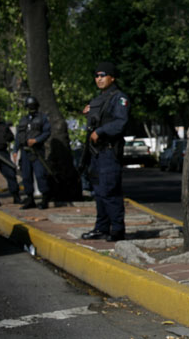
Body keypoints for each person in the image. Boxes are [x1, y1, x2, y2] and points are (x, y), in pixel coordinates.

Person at [81, 62, 130, 242]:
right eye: (97, 76)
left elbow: (120, 123)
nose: (99, 79)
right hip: (96, 154)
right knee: (99, 194)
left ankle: (117, 230)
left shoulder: (119, 98)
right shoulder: (98, 100)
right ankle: (101, 228)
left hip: (109, 152)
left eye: (103, 75)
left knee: (110, 192)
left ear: (112, 77)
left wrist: (100, 132)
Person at [16, 96, 51, 210]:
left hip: (37, 151)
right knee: (26, 176)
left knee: (41, 175)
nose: (31, 108)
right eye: (29, 106)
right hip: (25, 151)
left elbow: (47, 132)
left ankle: (45, 200)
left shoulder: (42, 118)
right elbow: (18, 135)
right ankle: (30, 199)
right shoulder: (23, 120)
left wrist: (36, 140)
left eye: (33, 106)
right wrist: (15, 150)